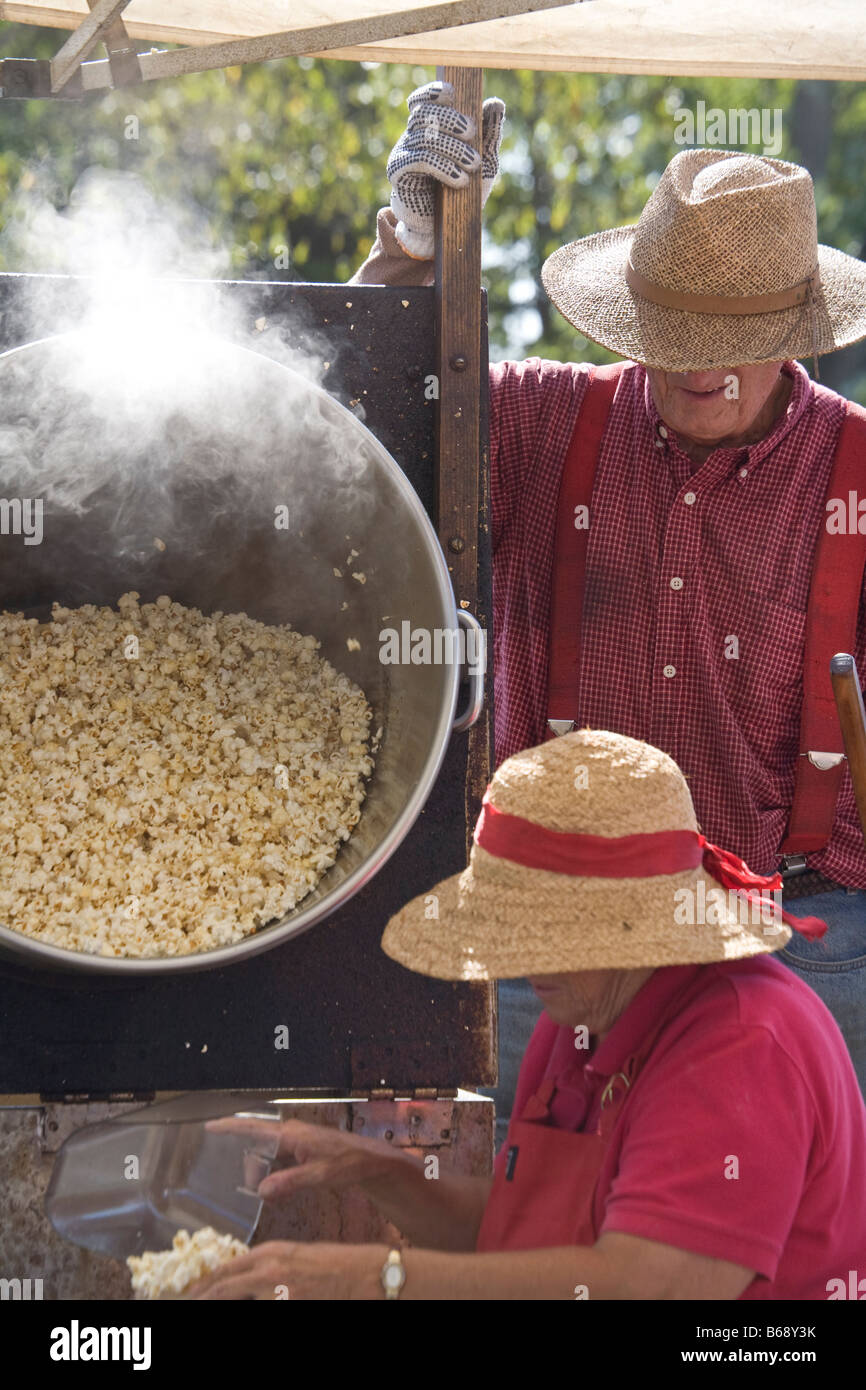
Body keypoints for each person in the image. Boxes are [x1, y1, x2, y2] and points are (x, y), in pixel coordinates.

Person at [350, 83, 866, 1118]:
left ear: (794, 329)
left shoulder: (856, 469)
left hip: (797, 928)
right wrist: (410, 242)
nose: (700, 358)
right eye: (673, 326)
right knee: (527, 1218)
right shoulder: (545, 421)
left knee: (778, 1252)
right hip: (558, 924)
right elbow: (365, 411)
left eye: (738, 326)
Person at [190, 731, 866, 1300]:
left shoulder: (742, 1042)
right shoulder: (579, 1011)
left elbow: (640, 1286)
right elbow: (527, 1234)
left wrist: (379, 1277)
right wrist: (377, 1173)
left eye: (544, 934)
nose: (521, 960)